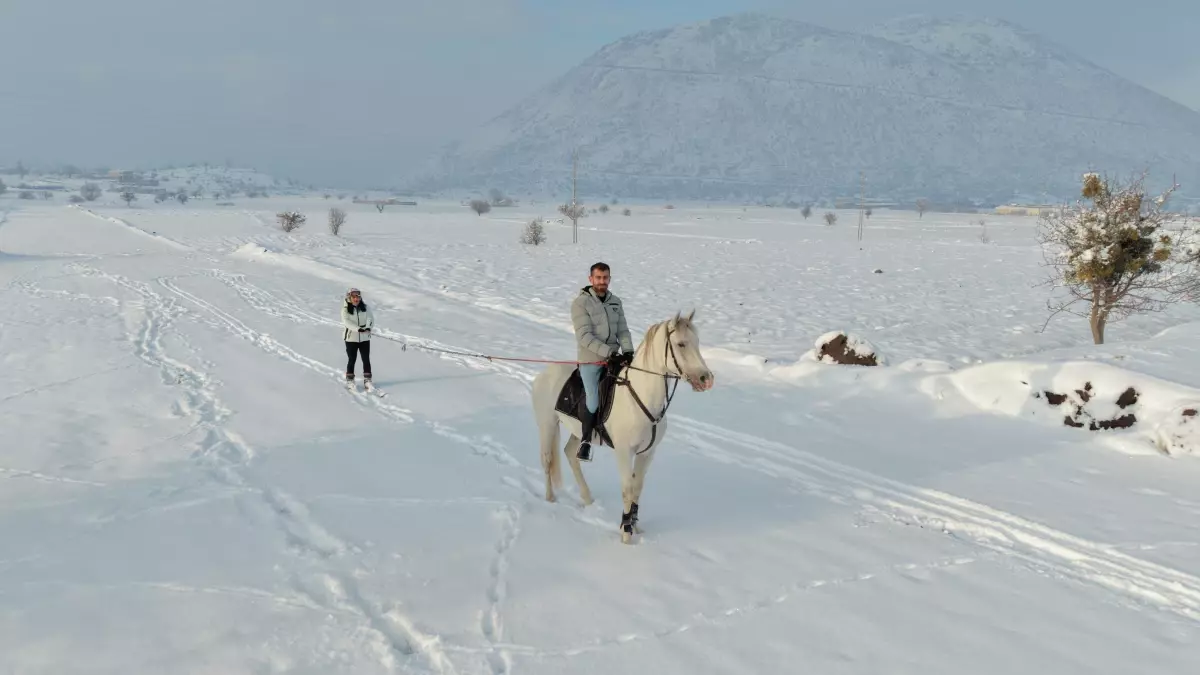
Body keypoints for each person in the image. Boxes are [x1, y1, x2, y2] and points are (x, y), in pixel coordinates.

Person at [570, 262, 634, 461]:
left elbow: (623, 330)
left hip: (614, 358)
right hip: (591, 360)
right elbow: (584, 337)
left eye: (605, 277)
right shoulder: (580, 303)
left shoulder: (615, 301)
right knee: (593, 399)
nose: (602, 281)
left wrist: (629, 351)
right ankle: (586, 441)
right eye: (598, 278)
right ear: (590, 279)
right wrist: (609, 352)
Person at [342, 287, 375, 389]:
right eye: (354, 297)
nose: (356, 299)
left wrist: (368, 327)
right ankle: (350, 380)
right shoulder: (345, 310)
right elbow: (347, 322)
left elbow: (370, 318)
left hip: (364, 338)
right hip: (351, 339)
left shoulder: (365, 307)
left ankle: (368, 380)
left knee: (366, 359)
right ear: (349, 297)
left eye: (358, 297)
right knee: (352, 359)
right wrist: (358, 329)